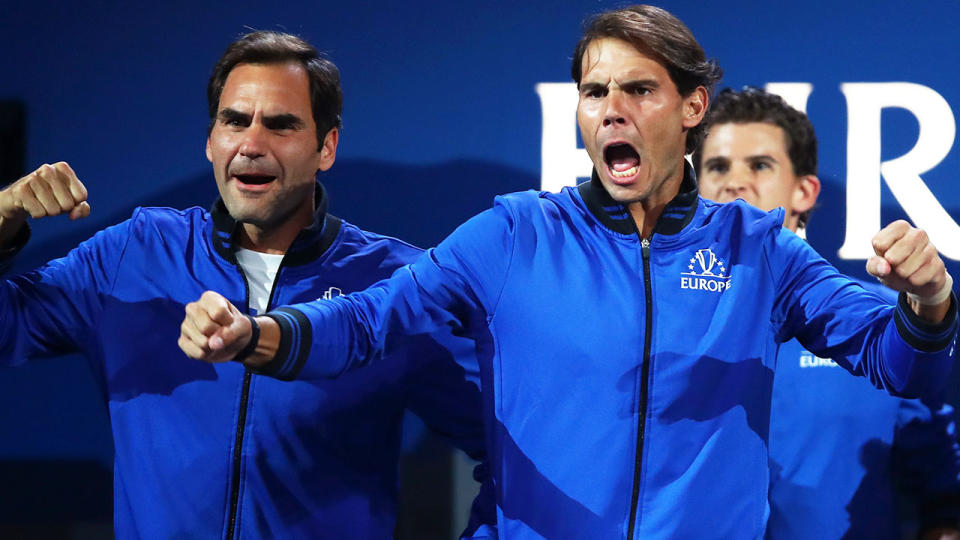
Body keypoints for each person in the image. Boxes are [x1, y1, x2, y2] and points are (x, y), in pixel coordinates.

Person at [180, 6, 958, 538]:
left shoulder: (761, 251)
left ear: (693, 106)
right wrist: (262, 334)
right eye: (595, 92)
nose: (611, 109)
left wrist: (928, 300)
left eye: (639, 90)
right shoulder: (514, 234)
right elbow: (369, 319)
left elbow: (894, 358)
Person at [0, 31, 491, 538]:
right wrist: (4, 214)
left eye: (281, 126)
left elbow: (510, 451)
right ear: (211, 140)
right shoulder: (135, 252)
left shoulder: (393, 284)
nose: (251, 144)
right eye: (234, 121)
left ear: (326, 147)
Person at [695, 87, 960, 539]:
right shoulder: (658, 320)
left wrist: (932, 299)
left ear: (804, 190)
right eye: (717, 166)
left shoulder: (877, 324)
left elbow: (946, 501)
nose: (733, 182)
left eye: (759, 165)